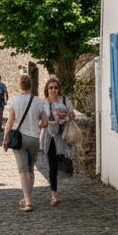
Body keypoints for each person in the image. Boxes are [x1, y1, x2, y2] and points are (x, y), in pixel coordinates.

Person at [2, 73, 45, 212]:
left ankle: (27, 201)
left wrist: (5, 139)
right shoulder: (38, 101)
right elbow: (44, 122)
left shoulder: (14, 101)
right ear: (31, 85)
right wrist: (36, 126)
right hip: (34, 139)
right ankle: (28, 197)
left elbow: (10, 121)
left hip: (19, 139)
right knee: (31, 169)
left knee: (23, 171)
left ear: (20, 85)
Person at [40, 77, 76, 207]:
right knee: (52, 166)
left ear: (58, 89)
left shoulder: (65, 100)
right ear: (47, 90)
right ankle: (54, 194)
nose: (53, 90)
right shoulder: (43, 104)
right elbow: (40, 122)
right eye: (51, 88)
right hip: (49, 138)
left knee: (64, 162)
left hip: (63, 136)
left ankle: (57, 185)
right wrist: (46, 122)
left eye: (55, 87)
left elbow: (73, 115)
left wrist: (65, 115)